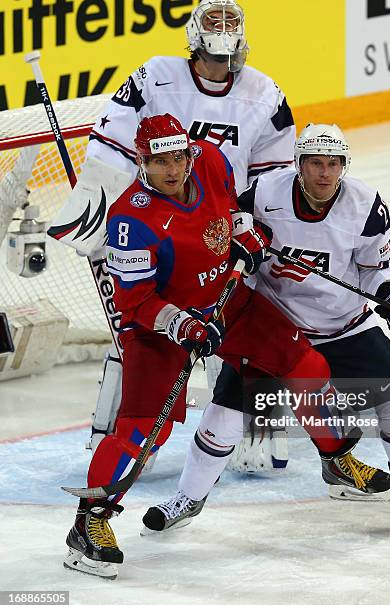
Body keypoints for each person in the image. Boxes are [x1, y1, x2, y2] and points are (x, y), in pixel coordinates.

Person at [63, 115, 390, 579]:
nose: (174, 170)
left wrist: (244, 235)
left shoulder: (213, 159)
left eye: (179, 157)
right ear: (142, 162)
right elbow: (134, 303)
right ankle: (89, 523)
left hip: (228, 299)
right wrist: (182, 325)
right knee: (141, 433)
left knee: (306, 365)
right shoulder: (130, 220)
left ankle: (336, 459)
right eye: (161, 162)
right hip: (160, 327)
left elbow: (232, 211)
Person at [142, 123, 390, 536]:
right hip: (274, 324)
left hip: (343, 325)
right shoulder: (264, 193)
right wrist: (237, 242)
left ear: (344, 166)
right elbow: (223, 229)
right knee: (226, 412)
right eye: (314, 164)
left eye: (333, 164)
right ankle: (188, 497)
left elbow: (376, 272)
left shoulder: (366, 205)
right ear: (298, 164)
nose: (324, 173)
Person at [55, 0, 296, 470]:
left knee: (247, 334)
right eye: (214, 20)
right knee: (141, 330)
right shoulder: (155, 74)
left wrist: (256, 228)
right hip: (158, 231)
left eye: (231, 21)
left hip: (226, 230)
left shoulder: (265, 91)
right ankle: (120, 437)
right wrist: (112, 216)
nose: (223, 31)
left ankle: (259, 433)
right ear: (193, 29)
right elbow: (112, 143)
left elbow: (274, 175)